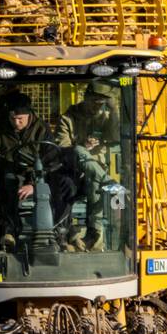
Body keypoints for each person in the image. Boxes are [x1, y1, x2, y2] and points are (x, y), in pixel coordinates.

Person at [0, 91, 74, 251]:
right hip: (11, 171)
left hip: (41, 173)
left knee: (65, 185)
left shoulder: (42, 129)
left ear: (29, 115)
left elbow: (52, 160)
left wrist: (34, 184)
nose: (16, 123)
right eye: (12, 119)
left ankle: (61, 232)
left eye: (20, 119)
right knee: (8, 182)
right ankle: (10, 231)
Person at [56, 82, 119, 252]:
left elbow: (114, 137)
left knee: (95, 183)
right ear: (85, 98)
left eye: (101, 104)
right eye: (93, 102)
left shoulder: (103, 117)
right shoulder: (68, 118)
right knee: (79, 149)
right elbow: (63, 148)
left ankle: (95, 239)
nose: (96, 107)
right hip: (73, 173)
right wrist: (83, 145)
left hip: (94, 174)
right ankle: (108, 181)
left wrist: (113, 111)